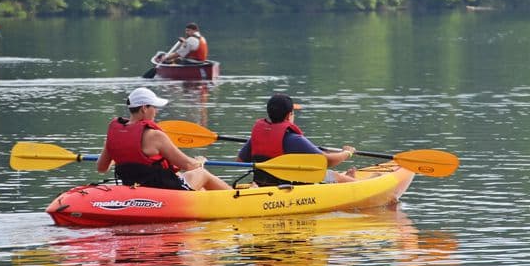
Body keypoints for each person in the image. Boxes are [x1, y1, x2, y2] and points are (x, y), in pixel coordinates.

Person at [96, 87, 231, 191]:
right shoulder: (155, 136)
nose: (156, 111)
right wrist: (200, 162)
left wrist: (121, 152)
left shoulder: (114, 136)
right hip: (164, 193)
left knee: (182, 177)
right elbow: (189, 165)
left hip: (135, 189)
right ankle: (237, 198)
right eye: (154, 107)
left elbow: (102, 168)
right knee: (201, 173)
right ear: (144, 108)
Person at [236, 93, 357, 186]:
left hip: (263, 185)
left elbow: (240, 161)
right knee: (330, 175)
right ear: (289, 116)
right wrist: (347, 153)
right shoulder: (294, 140)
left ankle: (348, 179)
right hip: (289, 189)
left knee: (328, 175)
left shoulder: (256, 138)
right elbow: (327, 162)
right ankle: (352, 182)